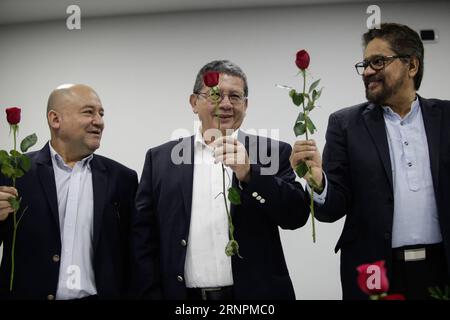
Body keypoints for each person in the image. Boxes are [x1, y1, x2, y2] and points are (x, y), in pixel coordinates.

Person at [290, 23, 450, 300]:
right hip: (373, 269)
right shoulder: (345, 124)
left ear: (411, 65)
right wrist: (318, 182)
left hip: (442, 267)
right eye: (364, 64)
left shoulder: (447, 117)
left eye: (378, 62)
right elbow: (331, 210)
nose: (367, 72)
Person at [131, 60, 310, 300]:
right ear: (194, 103)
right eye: (215, 95)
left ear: (245, 106)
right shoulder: (161, 159)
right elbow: (143, 237)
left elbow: (296, 216)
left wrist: (250, 174)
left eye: (235, 96)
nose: (226, 104)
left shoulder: (273, 152)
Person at [0, 84, 138, 300]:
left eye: (101, 114)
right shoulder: (14, 172)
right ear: (55, 120)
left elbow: (135, 254)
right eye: (88, 112)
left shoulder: (123, 179)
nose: (99, 121)